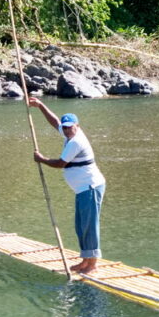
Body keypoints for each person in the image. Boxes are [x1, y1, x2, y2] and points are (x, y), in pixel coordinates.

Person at [28, 97, 106, 273]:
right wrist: (40, 105)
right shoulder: (68, 133)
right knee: (81, 225)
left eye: (70, 127)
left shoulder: (76, 141)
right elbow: (55, 121)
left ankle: (92, 264)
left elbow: (60, 164)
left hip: (91, 187)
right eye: (65, 127)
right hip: (82, 189)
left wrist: (41, 159)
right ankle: (85, 261)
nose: (66, 130)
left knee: (89, 225)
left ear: (77, 126)